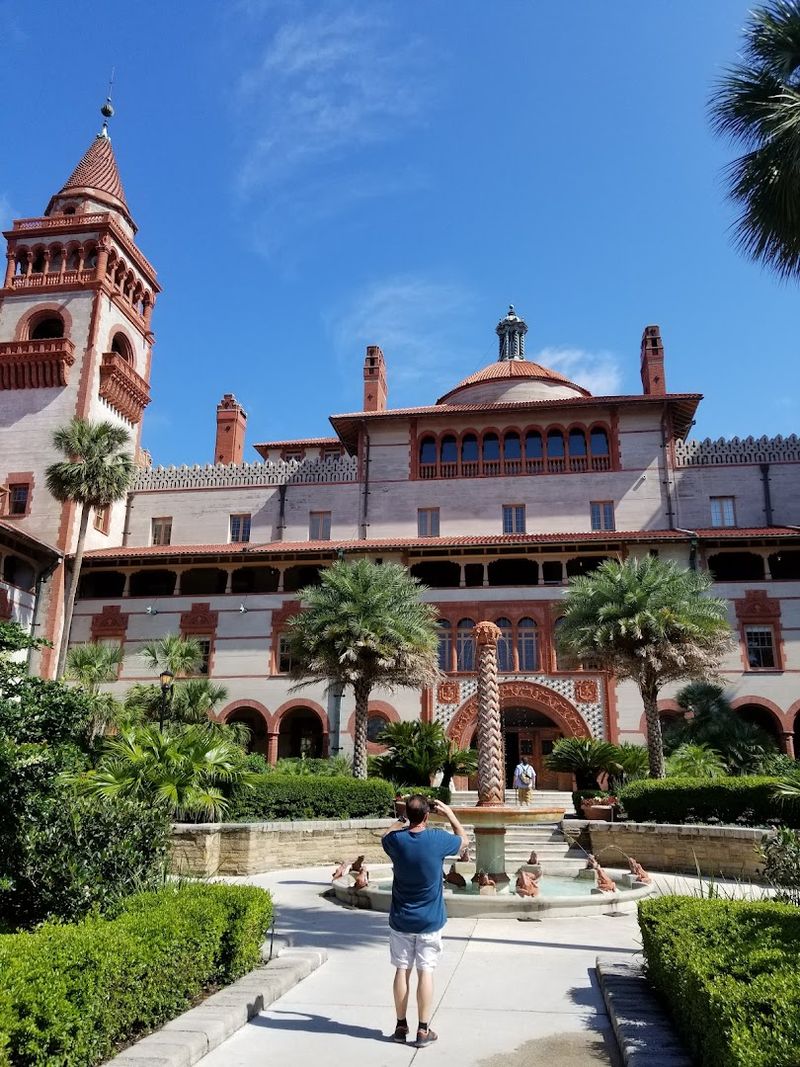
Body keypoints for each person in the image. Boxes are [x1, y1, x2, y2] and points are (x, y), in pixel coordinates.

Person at [381, 795, 469, 1049]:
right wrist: (450, 813)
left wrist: (399, 822)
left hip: (401, 920)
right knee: (425, 971)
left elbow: (384, 838)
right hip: (430, 920)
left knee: (401, 969)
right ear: (428, 816)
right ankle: (423, 1029)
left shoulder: (396, 841)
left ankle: (400, 1026)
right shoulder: (438, 840)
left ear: (408, 815)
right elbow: (464, 841)